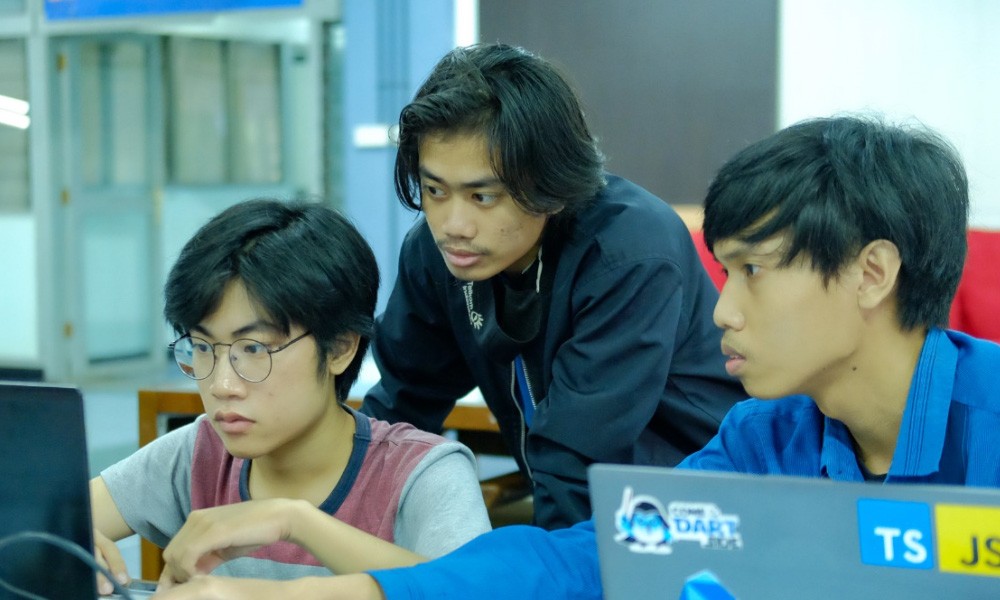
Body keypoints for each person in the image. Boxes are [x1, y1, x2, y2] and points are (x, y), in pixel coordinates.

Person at [149, 114, 1000, 598]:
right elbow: (587, 554)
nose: (724, 311)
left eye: (753, 272)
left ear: (871, 273)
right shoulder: (761, 441)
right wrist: (310, 589)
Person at [360, 42, 746, 530]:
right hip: (574, 502)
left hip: (703, 510)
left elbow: (576, 460)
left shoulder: (629, 251)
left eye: (483, 196)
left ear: (550, 184)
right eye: (435, 190)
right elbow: (402, 405)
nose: (453, 225)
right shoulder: (434, 254)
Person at [88, 199, 491, 595]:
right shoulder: (201, 455)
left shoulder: (422, 474)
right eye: (203, 346)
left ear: (339, 348)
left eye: (254, 348)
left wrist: (293, 521)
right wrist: (74, 538)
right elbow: (58, 516)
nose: (222, 385)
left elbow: (472, 591)